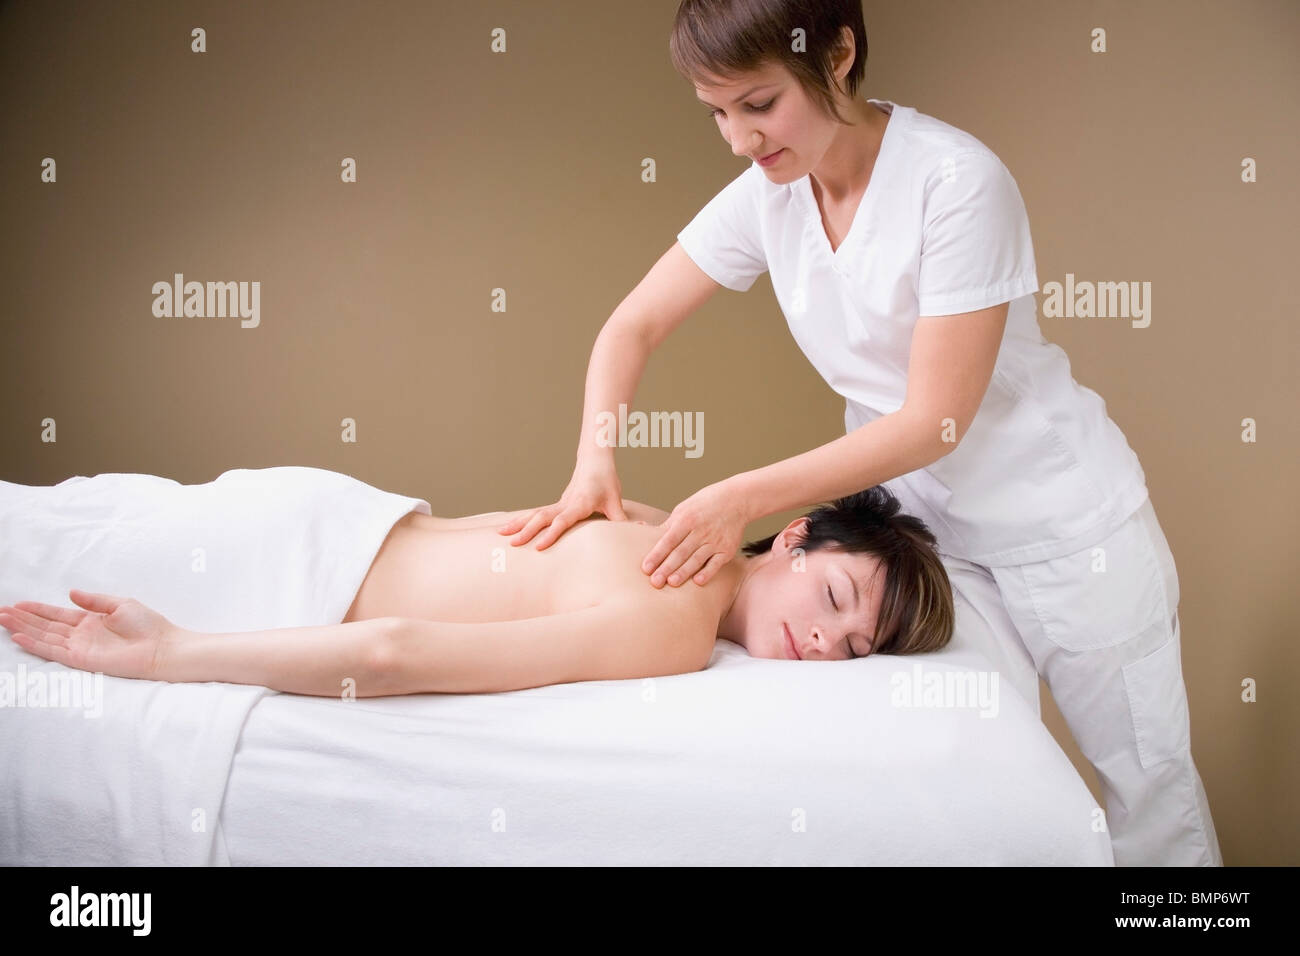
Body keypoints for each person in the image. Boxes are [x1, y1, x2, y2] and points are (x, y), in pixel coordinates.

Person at [497, 0, 1221, 866]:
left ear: (836, 55)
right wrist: (592, 465)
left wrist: (740, 498)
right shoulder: (769, 195)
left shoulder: (956, 183)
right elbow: (631, 327)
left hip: (1068, 532)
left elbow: (934, 420)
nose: (737, 138)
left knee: (1151, 793)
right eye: (717, 112)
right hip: (928, 543)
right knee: (963, 780)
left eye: (758, 105)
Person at [1, 477, 953, 700]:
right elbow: (393, 654)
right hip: (300, 561)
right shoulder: (676, 623)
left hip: (320, 511)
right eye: (835, 602)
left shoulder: (657, 524)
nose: (830, 644)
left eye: (857, 647)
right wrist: (170, 654)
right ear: (793, 536)